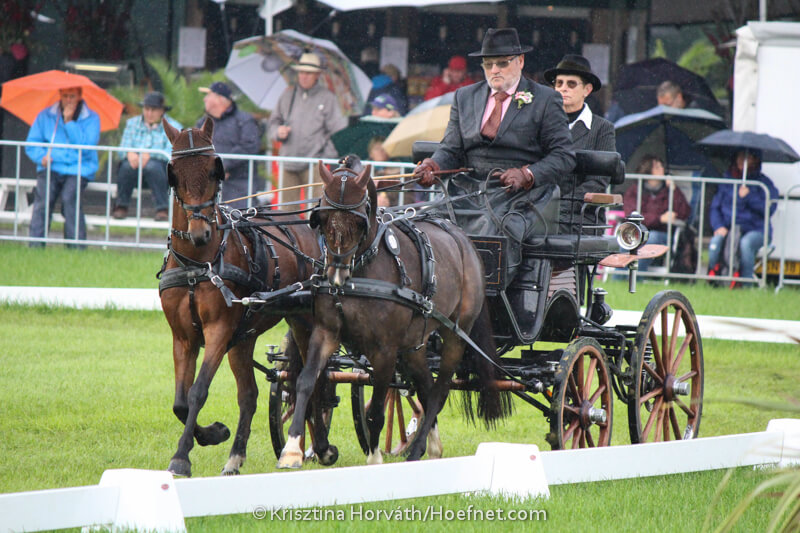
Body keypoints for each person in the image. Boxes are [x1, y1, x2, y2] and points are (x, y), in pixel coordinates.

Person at [414, 27, 575, 340]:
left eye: (502, 63)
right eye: (488, 64)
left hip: (525, 193)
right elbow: (451, 148)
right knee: (426, 224)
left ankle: (483, 305)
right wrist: (434, 164)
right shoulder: (465, 97)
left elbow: (563, 156)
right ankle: (433, 295)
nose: (495, 70)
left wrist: (527, 173)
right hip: (468, 188)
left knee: (494, 227)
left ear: (520, 62)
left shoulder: (546, 99)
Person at [544, 54, 616, 232]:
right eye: (559, 83)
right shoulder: (542, 123)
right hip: (539, 211)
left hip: (582, 216)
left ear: (587, 90)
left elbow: (598, 181)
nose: (563, 88)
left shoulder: (602, 128)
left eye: (571, 84)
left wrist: (559, 206)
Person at [267, 52, 348, 206]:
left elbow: (338, 132)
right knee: (286, 211)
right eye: (301, 72)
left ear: (317, 75)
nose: (304, 76)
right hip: (288, 161)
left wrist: (323, 157)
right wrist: (278, 131)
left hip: (315, 165)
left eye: (309, 73)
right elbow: (273, 122)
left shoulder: (328, 98)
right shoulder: (287, 95)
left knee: (315, 209)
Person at [25, 86, 100, 247]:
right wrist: (41, 156)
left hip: (79, 168)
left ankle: (76, 247)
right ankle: (35, 245)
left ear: (80, 96)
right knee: (43, 200)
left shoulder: (92, 118)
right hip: (51, 166)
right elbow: (32, 143)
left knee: (69, 199)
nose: (68, 100)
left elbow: (86, 147)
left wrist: (69, 122)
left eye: (72, 96)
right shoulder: (45, 115)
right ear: (59, 95)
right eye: (65, 96)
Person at [707, 150, 779, 284]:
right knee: (715, 243)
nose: (742, 160)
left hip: (756, 230)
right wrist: (718, 226)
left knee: (745, 244)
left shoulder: (764, 183)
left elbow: (769, 209)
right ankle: (714, 280)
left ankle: (745, 283)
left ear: (755, 160)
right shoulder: (726, 180)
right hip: (730, 229)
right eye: (740, 156)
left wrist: (749, 196)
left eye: (747, 157)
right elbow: (715, 208)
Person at [114, 91, 182, 221]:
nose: (149, 113)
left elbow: (173, 152)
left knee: (153, 167)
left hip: (161, 171)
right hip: (134, 168)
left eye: (154, 110)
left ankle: (162, 208)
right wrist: (129, 153)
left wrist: (150, 155)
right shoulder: (132, 123)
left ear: (162, 111)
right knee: (126, 167)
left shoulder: (174, 127)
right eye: (146, 109)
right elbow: (122, 148)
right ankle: (121, 206)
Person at [196, 81, 261, 209]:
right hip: (209, 183)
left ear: (220, 99)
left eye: (209, 95)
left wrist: (223, 166)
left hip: (239, 183)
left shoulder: (244, 120)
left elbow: (250, 146)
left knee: (239, 217)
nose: (205, 99)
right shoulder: (202, 123)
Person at [623, 155, 691, 271]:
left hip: (662, 233)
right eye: (657, 167)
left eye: (661, 166)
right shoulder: (634, 191)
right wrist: (659, 219)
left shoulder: (669, 190)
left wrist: (674, 190)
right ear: (648, 170)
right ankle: (620, 277)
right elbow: (632, 215)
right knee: (627, 238)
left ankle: (636, 275)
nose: (662, 169)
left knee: (652, 238)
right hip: (639, 231)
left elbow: (684, 212)